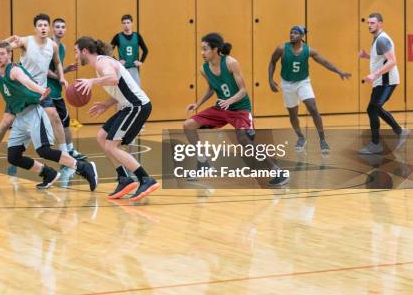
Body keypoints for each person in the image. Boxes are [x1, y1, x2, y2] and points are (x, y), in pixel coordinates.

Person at [0, 42, 97, 190]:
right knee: (13, 156)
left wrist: (41, 90)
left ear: (9, 55)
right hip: (20, 115)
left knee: (44, 151)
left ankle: (84, 167)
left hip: (35, 111)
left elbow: (26, 82)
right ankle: (48, 173)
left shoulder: (14, 70)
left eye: (2, 54)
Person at [183, 33, 288, 187]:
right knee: (188, 125)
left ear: (215, 49)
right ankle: (203, 162)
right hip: (221, 108)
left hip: (240, 108)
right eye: (201, 49)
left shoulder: (231, 63)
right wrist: (198, 103)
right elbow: (212, 87)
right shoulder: (204, 69)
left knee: (244, 141)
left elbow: (243, 91)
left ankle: (277, 171)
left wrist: (230, 101)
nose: (202, 53)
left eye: (205, 49)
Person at [74, 36, 158, 201]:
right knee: (102, 136)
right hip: (129, 105)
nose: (75, 56)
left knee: (112, 146)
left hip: (137, 106)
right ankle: (124, 179)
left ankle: (145, 179)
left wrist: (92, 81)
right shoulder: (101, 63)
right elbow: (120, 86)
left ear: (84, 51)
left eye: (76, 52)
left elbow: (113, 79)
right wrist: (106, 104)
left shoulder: (101, 62)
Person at [268, 25, 351, 153]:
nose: (292, 35)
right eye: (291, 32)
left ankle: (322, 140)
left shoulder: (309, 51)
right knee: (293, 114)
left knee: (312, 107)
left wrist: (339, 72)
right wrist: (270, 80)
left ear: (302, 36)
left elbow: (325, 62)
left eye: (295, 33)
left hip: (302, 82)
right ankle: (301, 137)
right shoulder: (281, 48)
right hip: (287, 83)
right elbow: (272, 62)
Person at [4, 14, 72, 161]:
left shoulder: (52, 45)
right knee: (9, 120)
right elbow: (4, 49)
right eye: (40, 25)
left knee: (54, 116)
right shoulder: (26, 41)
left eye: (45, 25)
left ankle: (64, 152)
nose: (43, 28)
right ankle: (5, 149)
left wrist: (62, 77)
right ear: (35, 28)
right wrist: (8, 41)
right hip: (24, 90)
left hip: (41, 90)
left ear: (49, 28)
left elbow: (58, 62)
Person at [358, 13, 409, 154]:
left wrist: (374, 74)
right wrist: (367, 56)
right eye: (368, 23)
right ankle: (400, 132)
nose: (369, 25)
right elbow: (380, 58)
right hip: (381, 81)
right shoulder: (377, 39)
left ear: (380, 23)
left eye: (372, 23)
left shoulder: (382, 40)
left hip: (387, 81)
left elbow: (393, 61)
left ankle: (376, 144)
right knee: (376, 108)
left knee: (372, 109)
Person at [48, 18, 86, 161]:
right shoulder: (47, 46)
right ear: (52, 29)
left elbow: (56, 70)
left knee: (64, 120)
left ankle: (69, 151)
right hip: (44, 89)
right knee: (54, 121)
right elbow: (44, 70)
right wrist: (61, 77)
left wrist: (66, 70)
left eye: (63, 27)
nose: (60, 29)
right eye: (57, 27)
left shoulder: (62, 47)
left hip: (56, 91)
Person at [110, 14, 148, 86]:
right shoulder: (118, 37)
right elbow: (107, 51)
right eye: (124, 23)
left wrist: (141, 61)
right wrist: (117, 62)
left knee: (137, 91)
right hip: (122, 69)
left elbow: (145, 50)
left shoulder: (137, 36)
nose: (126, 25)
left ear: (132, 24)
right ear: (122, 24)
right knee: (123, 93)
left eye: (128, 23)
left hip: (133, 68)